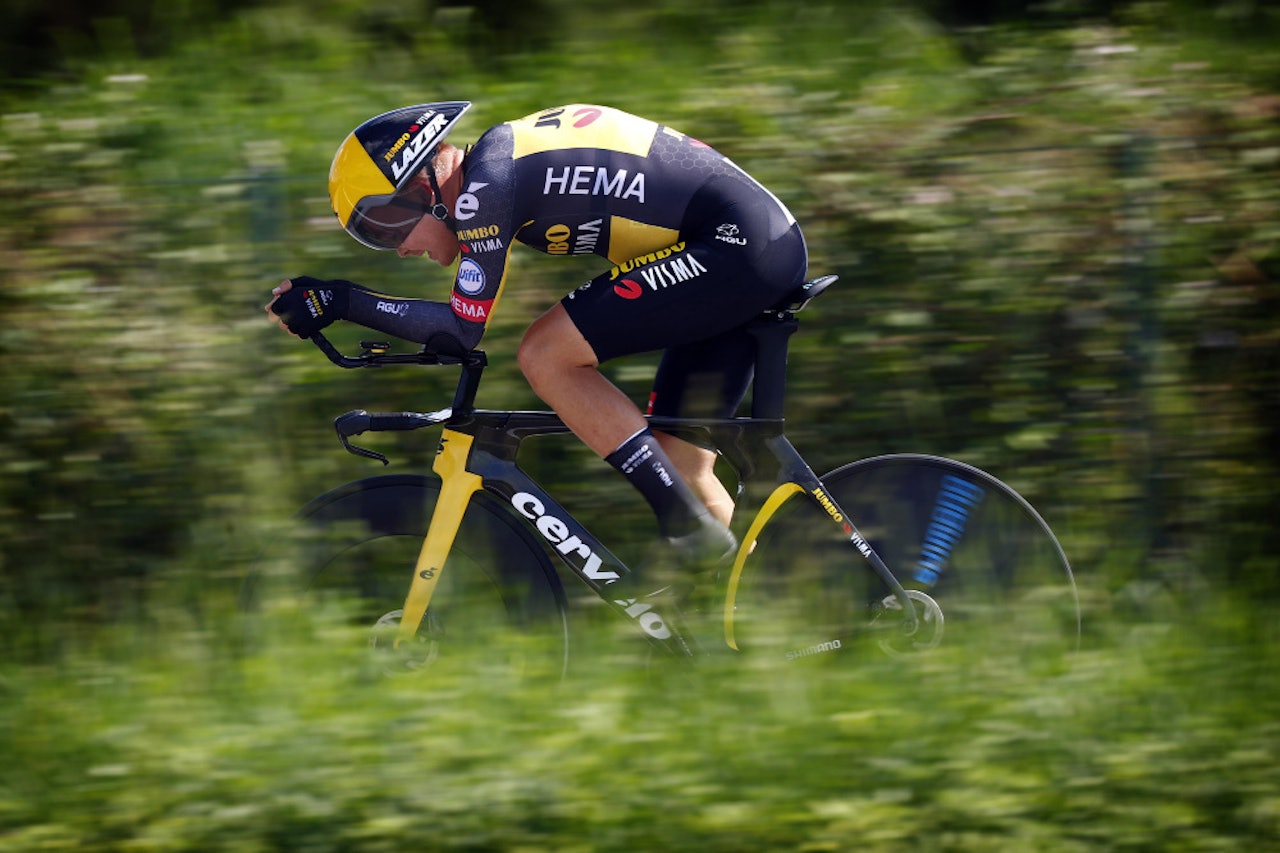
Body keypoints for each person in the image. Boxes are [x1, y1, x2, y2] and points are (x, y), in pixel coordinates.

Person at [266, 101, 808, 590]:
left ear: (424, 189)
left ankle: (685, 527)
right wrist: (339, 300)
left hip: (735, 246)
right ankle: (760, 607)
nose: (397, 249)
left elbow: (461, 331)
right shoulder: (499, 167)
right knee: (678, 462)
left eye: (385, 227)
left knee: (546, 354)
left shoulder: (486, 186)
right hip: (748, 245)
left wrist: (343, 301)